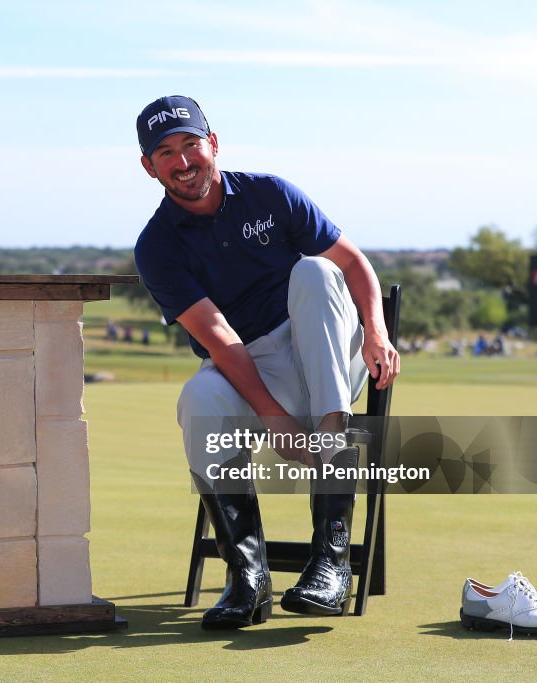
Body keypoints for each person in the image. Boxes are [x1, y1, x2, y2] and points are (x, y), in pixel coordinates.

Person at [133, 96, 399, 629]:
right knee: (200, 398)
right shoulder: (156, 246)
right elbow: (221, 340)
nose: (183, 162)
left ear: (213, 144)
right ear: (149, 166)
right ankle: (247, 579)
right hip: (251, 367)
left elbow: (351, 263)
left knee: (315, 274)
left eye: (191, 144)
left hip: (325, 354)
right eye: (166, 152)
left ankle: (331, 562)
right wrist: (276, 422)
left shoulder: (270, 193)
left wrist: (376, 331)